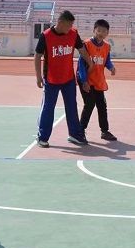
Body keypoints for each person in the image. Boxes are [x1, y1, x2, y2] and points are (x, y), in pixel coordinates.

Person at [34, 10, 92, 148]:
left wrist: (90, 62)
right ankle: (42, 137)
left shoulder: (73, 34)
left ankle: (75, 135)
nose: (70, 28)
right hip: (51, 80)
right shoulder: (46, 36)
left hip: (68, 79)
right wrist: (38, 77)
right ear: (60, 22)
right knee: (48, 108)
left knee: (72, 107)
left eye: (72, 25)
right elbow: (37, 56)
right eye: (68, 25)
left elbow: (82, 49)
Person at [78, 19, 117, 141]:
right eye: (98, 30)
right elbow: (81, 65)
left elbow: (106, 61)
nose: (101, 33)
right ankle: (80, 131)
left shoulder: (106, 46)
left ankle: (105, 131)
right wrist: (84, 81)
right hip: (86, 80)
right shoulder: (86, 45)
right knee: (89, 104)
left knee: (102, 105)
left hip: (98, 80)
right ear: (94, 30)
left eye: (104, 31)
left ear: (107, 33)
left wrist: (111, 67)